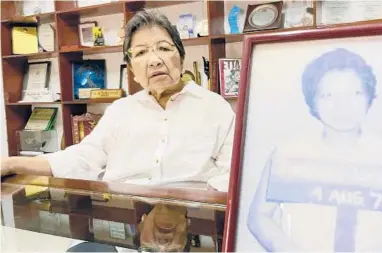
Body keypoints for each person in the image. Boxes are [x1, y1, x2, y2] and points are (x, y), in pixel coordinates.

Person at [1, 9, 235, 192]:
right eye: (141, 53)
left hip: (194, 220)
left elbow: (232, 176)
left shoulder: (215, 108)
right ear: (132, 70)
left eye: (163, 48)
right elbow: (82, 157)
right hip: (127, 214)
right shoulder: (120, 111)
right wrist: (10, 164)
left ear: (181, 58)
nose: (154, 60)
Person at [247, 48, 382, 252]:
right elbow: (259, 217)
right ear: (313, 102)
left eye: (355, 93)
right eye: (328, 95)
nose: (342, 105)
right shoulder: (287, 153)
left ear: (369, 98)